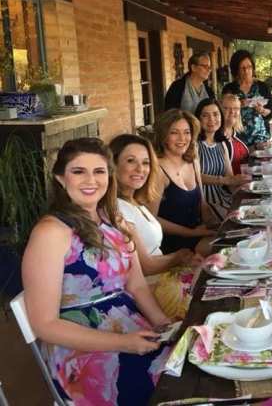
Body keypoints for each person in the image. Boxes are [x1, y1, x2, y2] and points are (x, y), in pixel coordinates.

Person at [21, 138, 170, 405]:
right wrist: (123, 343)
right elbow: (45, 325)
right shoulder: (51, 232)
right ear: (60, 178)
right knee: (166, 384)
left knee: (188, 363)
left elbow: (136, 285)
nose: (91, 180)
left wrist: (164, 325)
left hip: (131, 329)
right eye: (79, 171)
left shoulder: (114, 222)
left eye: (99, 171)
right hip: (83, 351)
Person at [110, 133, 201, 319]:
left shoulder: (135, 202)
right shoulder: (119, 209)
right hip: (151, 288)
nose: (140, 169)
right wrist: (179, 255)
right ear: (113, 165)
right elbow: (146, 266)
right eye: (130, 161)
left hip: (164, 277)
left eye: (145, 163)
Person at [149, 108, 216, 255]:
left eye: (187, 132)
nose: (182, 139)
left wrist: (215, 224)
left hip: (198, 234)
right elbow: (151, 219)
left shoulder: (192, 160)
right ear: (163, 136)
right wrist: (192, 233)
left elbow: (202, 203)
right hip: (173, 245)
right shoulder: (157, 170)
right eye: (174, 132)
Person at [194, 98, 250, 221]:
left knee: (251, 212)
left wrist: (244, 188)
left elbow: (230, 180)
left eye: (215, 114)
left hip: (223, 198)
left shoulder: (221, 144)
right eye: (205, 115)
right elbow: (195, 176)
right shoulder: (194, 144)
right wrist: (226, 180)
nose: (212, 120)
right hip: (203, 202)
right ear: (198, 119)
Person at [222, 49, 272, 148]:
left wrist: (263, 111)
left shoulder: (262, 86)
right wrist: (240, 104)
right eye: (242, 68)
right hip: (237, 140)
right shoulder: (229, 88)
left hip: (260, 140)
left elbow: (271, 111)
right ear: (236, 70)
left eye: (249, 67)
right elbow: (224, 112)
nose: (246, 71)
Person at [221, 92, 250, 175]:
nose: (232, 112)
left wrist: (258, 147)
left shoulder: (239, 133)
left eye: (236, 108)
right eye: (227, 108)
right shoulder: (216, 137)